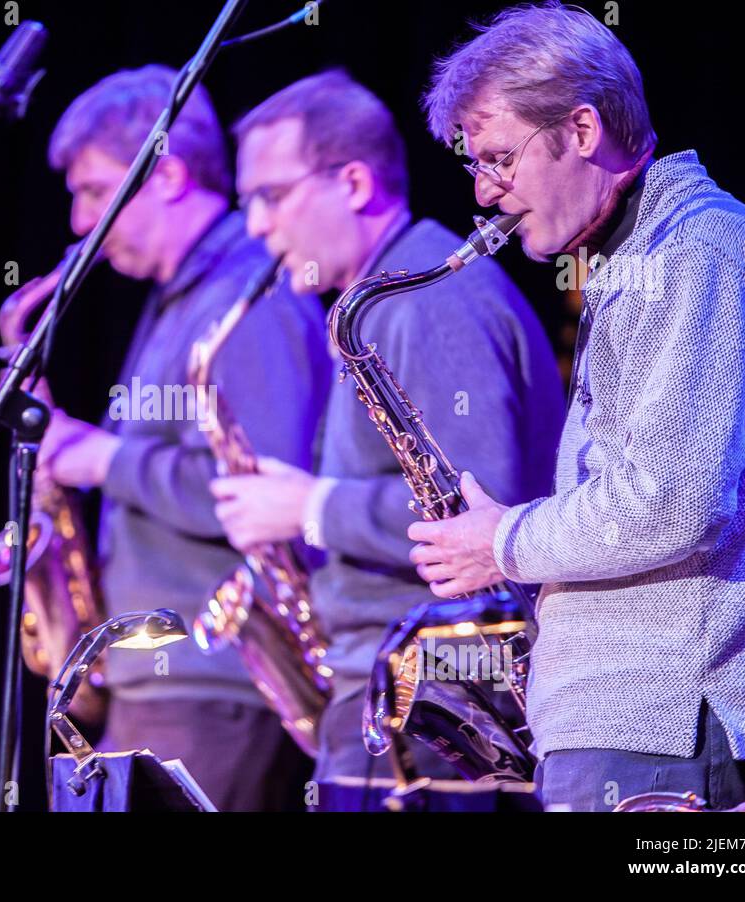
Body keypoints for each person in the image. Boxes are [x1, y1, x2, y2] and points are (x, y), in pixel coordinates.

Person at [409, 1, 745, 811]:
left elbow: (673, 500)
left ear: (583, 129)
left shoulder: (694, 251)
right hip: (644, 730)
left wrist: (506, 541)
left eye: (499, 159)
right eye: (474, 168)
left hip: (672, 732)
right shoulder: (641, 259)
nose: (486, 194)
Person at [213, 70, 565, 808]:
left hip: (434, 698)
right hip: (398, 688)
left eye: (272, 196)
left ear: (351, 182)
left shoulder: (424, 301)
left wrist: (310, 509)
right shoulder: (379, 301)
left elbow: (479, 510)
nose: (254, 227)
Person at [33, 65, 332, 810]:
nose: (80, 223)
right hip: (160, 683)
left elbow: (262, 490)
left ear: (165, 175)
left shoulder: (247, 296)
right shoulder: (179, 297)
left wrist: (101, 458)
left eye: (96, 193)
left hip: (212, 683)